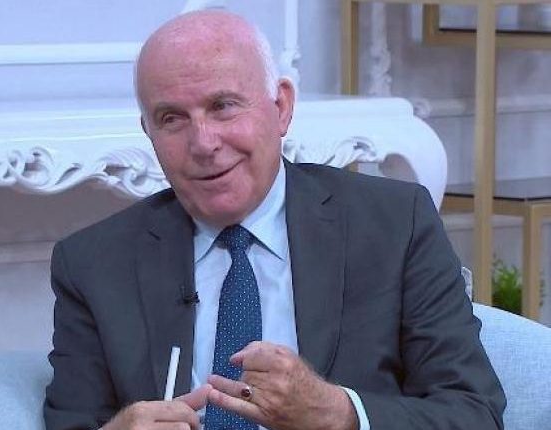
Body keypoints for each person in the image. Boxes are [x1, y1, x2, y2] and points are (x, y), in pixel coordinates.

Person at [44, 10, 505, 430]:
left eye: (223, 106)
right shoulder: (92, 264)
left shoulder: (395, 224)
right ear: (149, 132)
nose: (203, 143)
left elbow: (474, 413)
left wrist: (339, 413)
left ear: (281, 107)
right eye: (172, 118)